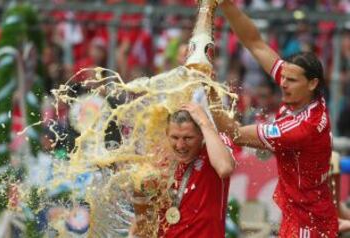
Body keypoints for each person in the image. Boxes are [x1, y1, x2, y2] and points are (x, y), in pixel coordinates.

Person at [216, 1, 338, 237]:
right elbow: (255, 43)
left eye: (291, 80)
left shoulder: (302, 128)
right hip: (304, 215)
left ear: (313, 83)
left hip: (307, 224)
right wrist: (225, 4)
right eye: (284, 77)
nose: (282, 83)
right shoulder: (306, 96)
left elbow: (237, 134)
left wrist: (208, 96)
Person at [131, 102, 236, 238]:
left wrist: (205, 123)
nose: (180, 145)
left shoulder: (215, 145)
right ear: (167, 133)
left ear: (202, 135)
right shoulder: (159, 158)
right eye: (174, 137)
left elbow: (225, 168)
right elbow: (147, 212)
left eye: (188, 138)